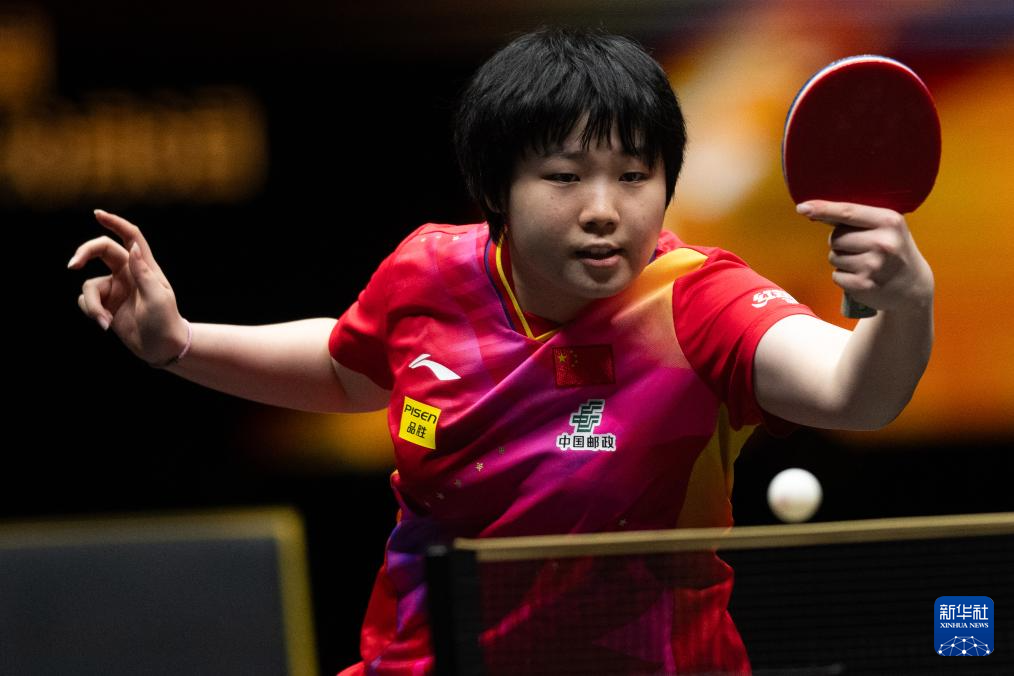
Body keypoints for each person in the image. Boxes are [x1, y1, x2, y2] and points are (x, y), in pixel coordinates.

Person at [69, 27, 933, 676]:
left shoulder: (698, 302)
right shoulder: (428, 274)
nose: (605, 209)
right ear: (496, 189)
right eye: (565, 176)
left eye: (635, 175)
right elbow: (343, 367)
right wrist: (180, 343)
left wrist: (903, 304)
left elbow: (854, 393)